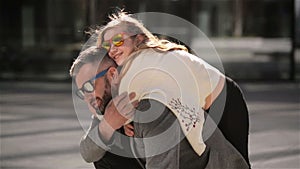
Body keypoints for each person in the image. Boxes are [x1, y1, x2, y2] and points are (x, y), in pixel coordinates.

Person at [96, 11, 250, 168]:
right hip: (204, 103)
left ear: (139, 38)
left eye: (118, 40)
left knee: (237, 162)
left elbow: (125, 101)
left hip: (225, 99)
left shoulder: (144, 59)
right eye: (107, 45)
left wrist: (124, 120)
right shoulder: (135, 64)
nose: (112, 49)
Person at [69, 46, 144, 169]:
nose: (88, 97)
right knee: (102, 149)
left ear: (112, 73)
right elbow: (88, 153)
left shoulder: (144, 98)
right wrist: (108, 124)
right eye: (82, 91)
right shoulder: (105, 109)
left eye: (89, 86)